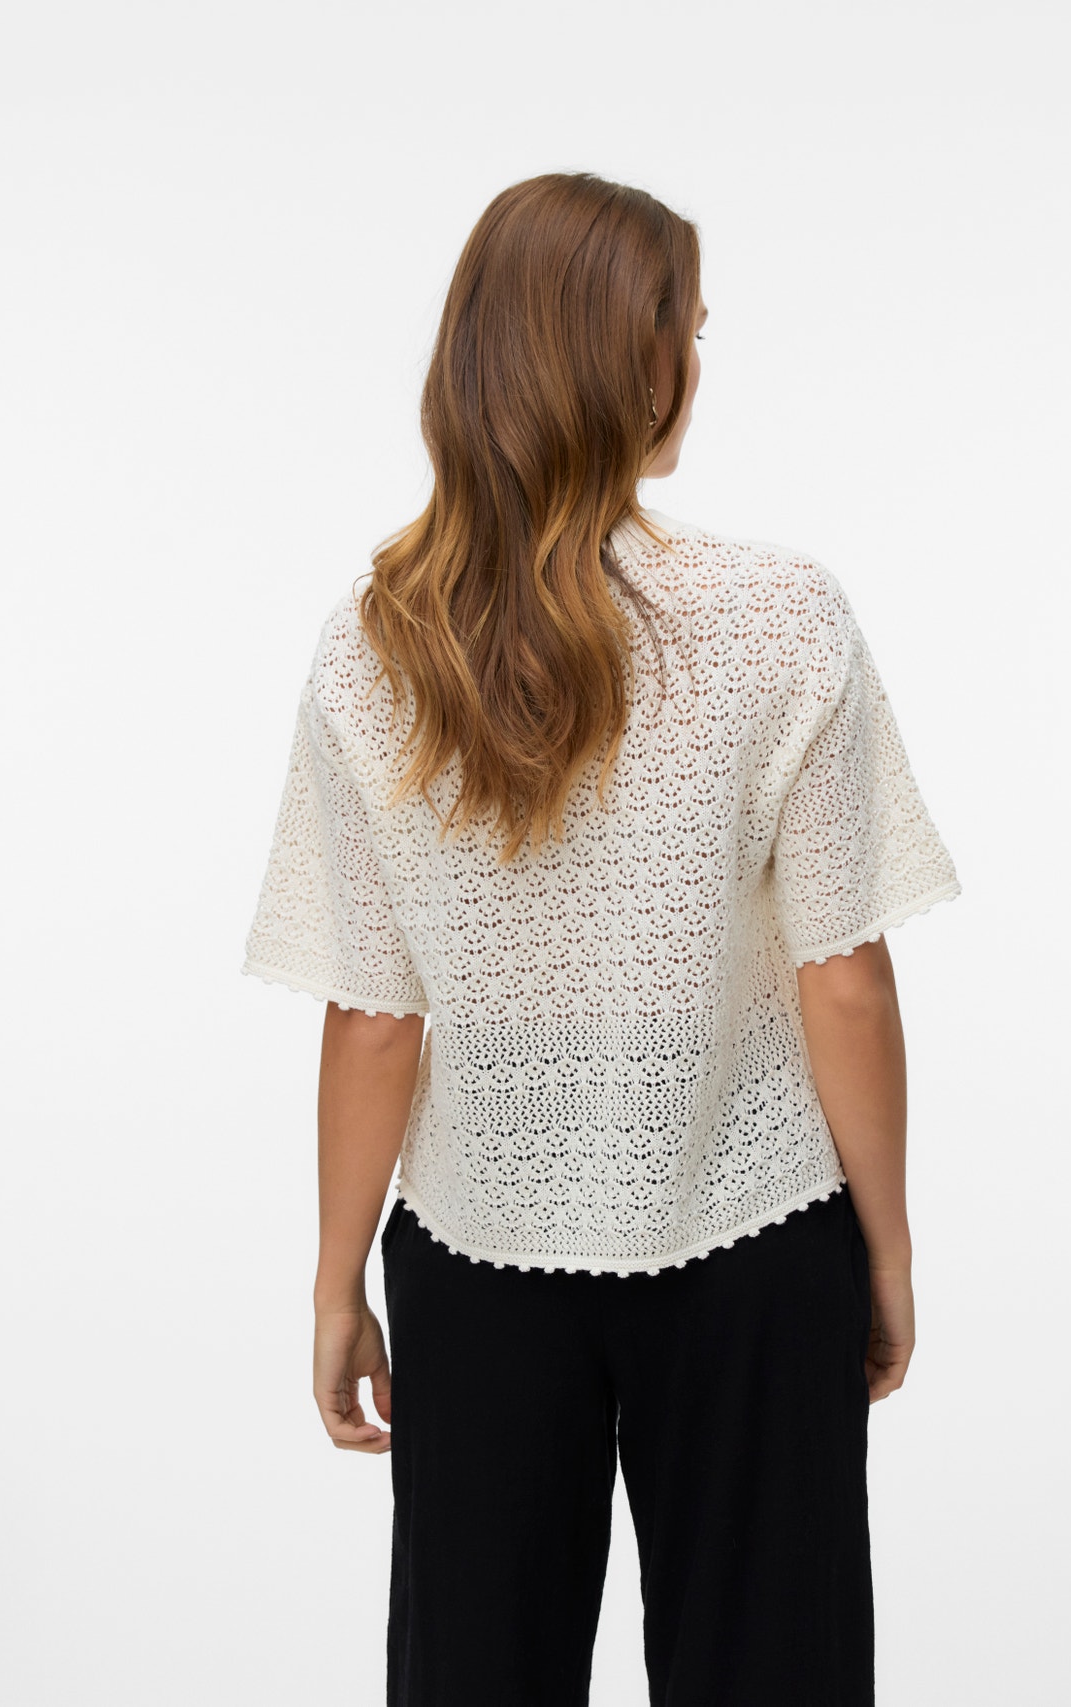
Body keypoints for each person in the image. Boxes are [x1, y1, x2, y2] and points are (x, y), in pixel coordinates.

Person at [241, 171, 962, 1706]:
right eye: (688, 330)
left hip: (475, 1254)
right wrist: (888, 1247)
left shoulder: (376, 642)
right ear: (636, 368)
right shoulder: (782, 618)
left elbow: (373, 1014)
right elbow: (842, 977)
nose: (698, 360)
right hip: (757, 1238)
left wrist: (334, 1279)